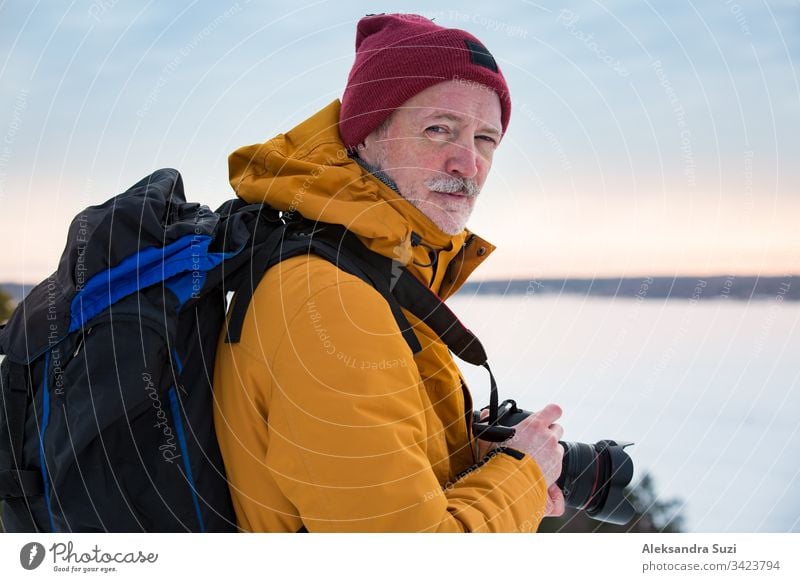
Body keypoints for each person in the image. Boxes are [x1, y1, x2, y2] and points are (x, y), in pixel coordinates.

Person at [213, 13, 565, 532]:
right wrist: (525, 472)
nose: (467, 163)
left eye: (485, 139)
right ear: (366, 135)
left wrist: (465, 448)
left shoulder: (372, 272)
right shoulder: (328, 299)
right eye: (438, 129)